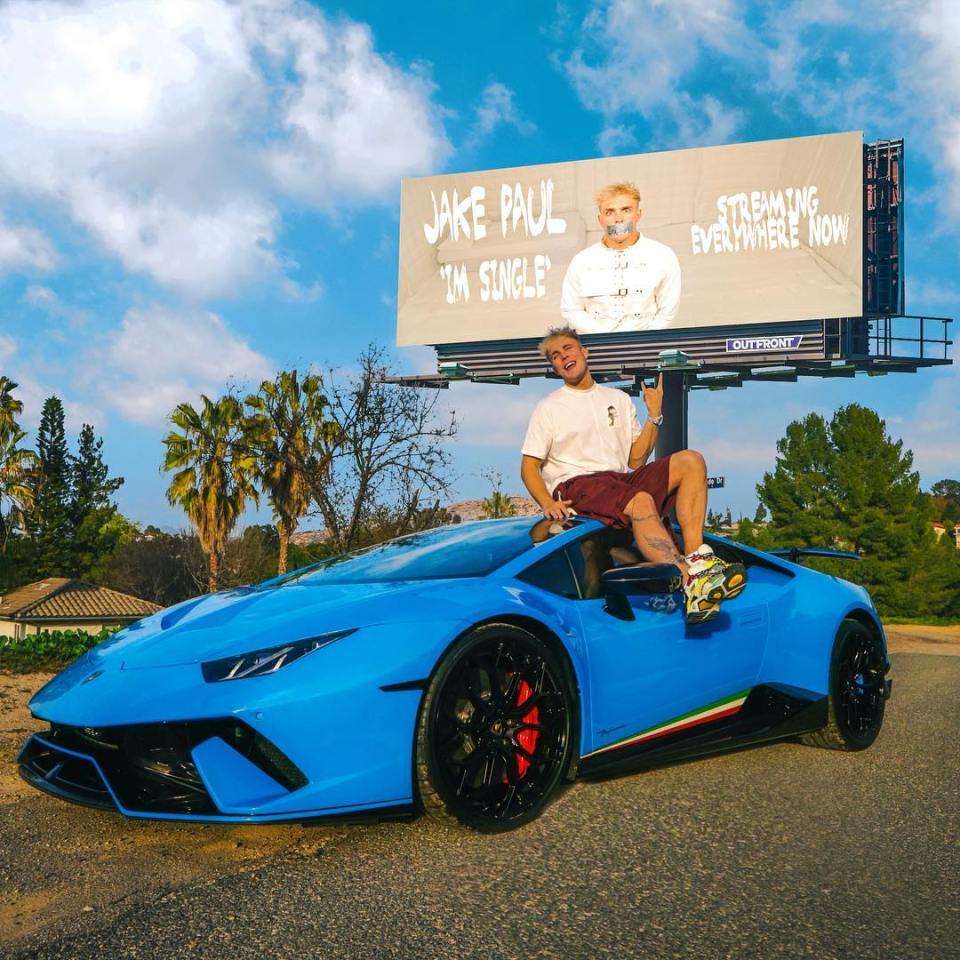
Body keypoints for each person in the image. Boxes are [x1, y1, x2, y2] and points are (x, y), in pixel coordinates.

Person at [520, 325, 744, 623]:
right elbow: (528, 466)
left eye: (568, 349)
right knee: (639, 501)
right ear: (554, 367)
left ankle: (697, 561)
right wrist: (548, 503)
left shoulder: (619, 399)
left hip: (619, 480)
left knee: (691, 460)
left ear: (584, 352)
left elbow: (636, 459)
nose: (563, 357)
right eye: (555, 356)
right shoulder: (548, 407)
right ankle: (690, 580)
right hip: (578, 484)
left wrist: (654, 415)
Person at [560, 181, 681, 333]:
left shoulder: (663, 256)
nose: (618, 219)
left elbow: (667, 310)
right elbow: (571, 309)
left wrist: (646, 341)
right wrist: (604, 340)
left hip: (648, 349)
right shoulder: (581, 262)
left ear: (638, 214)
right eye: (609, 212)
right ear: (600, 219)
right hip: (598, 351)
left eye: (626, 210)